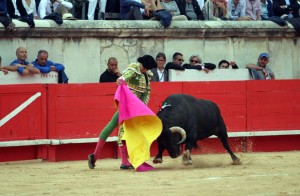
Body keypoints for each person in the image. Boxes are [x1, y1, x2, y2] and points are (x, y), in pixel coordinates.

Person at [88, 54, 157, 172]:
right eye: (145, 68)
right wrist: (121, 79)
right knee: (121, 131)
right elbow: (125, 76)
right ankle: (124, 161)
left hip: (135, 109)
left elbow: (147, 92)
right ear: (142, 65)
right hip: (126, 106)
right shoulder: (134, 69)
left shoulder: (147, 74)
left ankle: (95, 155)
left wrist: (142, 108)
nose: (146, 70)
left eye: (147, 69)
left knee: (112, 127)